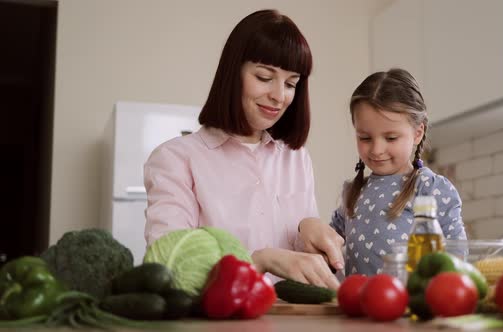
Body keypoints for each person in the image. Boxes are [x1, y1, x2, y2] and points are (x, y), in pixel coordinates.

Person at [143, 9, 342, 289]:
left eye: (291, 84)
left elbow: (300, 258)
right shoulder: (176, 159)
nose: (279, 96)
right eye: (263, 77)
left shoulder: (296, 158)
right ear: (232, 73)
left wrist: (307, 228)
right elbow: (171, 266)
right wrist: (260, 261)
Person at [329, 68, 467, 276]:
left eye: (391, 138)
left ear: (417, 133)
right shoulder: (352, 193)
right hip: (358, 306)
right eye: (365, 138)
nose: (376, 149)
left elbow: (457, 256)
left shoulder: (431, 189)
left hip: (413, 306)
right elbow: (329, 246)